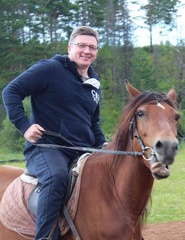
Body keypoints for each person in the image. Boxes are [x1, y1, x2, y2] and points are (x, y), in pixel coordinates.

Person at [2, 26, 107, 240]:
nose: (87, 51)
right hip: (46, 148)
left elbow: (93, 123)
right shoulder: (49, 69)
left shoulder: (94, 84)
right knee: (57, 176)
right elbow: (11, 91)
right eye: (81, 45)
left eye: (92, 47)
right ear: (70, 47)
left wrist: (103, 145)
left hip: (81, 151)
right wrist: (24, 126)